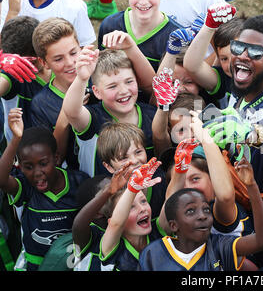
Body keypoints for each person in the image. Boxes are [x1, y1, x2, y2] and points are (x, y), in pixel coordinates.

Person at [197, 2, 263, 195]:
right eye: (238, 47)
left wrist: (250, 134)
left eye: (255, 52)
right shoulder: (244, 91)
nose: (243, 56)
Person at [138, 155, 263, 271]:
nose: (202, 216)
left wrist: (252, 186)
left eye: (206, 210)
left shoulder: (220, 246)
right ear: (173, 225)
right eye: (190, 211)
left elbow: (261, 241)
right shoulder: (153, 253)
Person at [0, 108, 89, 270]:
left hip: (72, 262)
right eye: (28, 167)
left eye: (43, 163)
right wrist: (15, 140)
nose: (37, 173)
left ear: (55, 159)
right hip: (36, 264)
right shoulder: (26, 187)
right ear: (20, 167)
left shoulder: (78, 182)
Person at [62, 31, 157, 177]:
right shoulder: (93, 118)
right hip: (100, 196)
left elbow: (154, 84)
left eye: (129, 81)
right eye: (112, 86)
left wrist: (130, 47)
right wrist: (81, 78)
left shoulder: (152, 115)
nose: (123, 91)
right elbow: (71, 112)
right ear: (97, 92)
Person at [97, 0, 183, 103]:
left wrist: (131, 49)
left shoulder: (175, 37)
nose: (143, 1)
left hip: (152, 110)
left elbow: (160, 92)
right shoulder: (110, 24)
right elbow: (101, 74)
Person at [29, 17, 88, 170]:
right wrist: (66, 114)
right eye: (58, 59)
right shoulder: (41, 104)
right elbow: (53, 161)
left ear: (81, 47)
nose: (70, 62)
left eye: (73, 53)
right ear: (44, 63)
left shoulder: (99, 78)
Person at [99, 157, 162, 271]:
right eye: (131, 207)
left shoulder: (158, 230)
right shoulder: (112, 246)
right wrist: (132, 189)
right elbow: (116, 224)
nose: (142, 208)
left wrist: (180, 171)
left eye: (143, 201)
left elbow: (172, 201)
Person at [96, 122, 166, 219]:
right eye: (123, 158)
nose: (134, 161)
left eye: (138, 152)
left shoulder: (160, 180)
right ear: (109, 167)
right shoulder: (110, 197)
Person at [0, 16, 50, 144]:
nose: (41, 61)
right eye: (31, 62)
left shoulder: (58, 63)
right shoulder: (12, 74)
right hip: (22, 153)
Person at [0, 0, 96, 47]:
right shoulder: (11, 1)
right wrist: (12, 13)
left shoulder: (74, 6)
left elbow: (85, 48)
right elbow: (2, 47)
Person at [71, 174, 110, 271]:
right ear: (96, 212)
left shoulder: (129, 224)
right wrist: (108, 191)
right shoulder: (91, 234)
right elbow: (78, 225)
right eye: (113, 195)